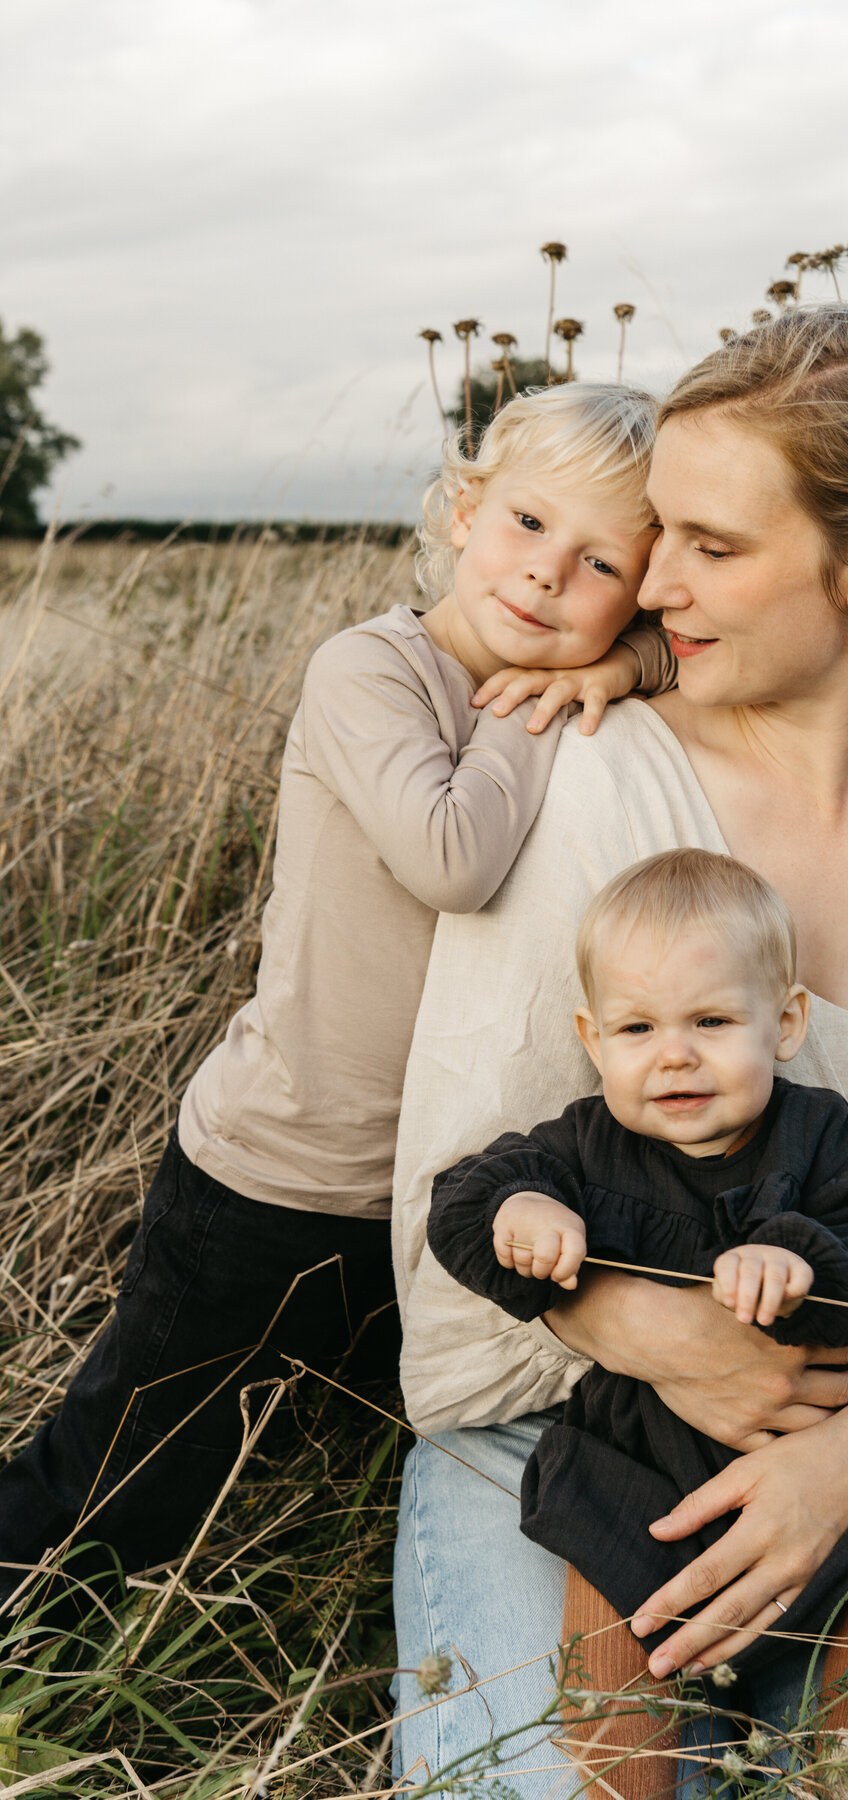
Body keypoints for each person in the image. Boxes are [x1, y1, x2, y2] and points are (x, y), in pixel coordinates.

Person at [390, 306, 848, 1797]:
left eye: (712, 547)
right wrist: (647, 1331)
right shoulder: (580, 761)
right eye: (660, 531)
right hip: (556, 1418)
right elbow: (460, 1180)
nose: (651, 583)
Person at [0, 381, 670, 1617]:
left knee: (373, 1463)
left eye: (600, 564)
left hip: (449, 1191)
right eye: (527, 523)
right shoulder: (372, 669)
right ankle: (33, 1634)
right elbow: (451, 857)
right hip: (281, 1171)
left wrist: (629, 660)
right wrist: (546, 696)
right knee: (119, 1486)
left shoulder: (604, 676)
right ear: (463, 509)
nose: (545, 574)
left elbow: (710, 660)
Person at [427, 849, 848, 1795]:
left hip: (827, 1453)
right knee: (612, 1644)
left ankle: (842, 1784)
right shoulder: (582, 1146)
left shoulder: (818, 1133)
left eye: (711, 1022)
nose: (674, 1053)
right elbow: (462, 1199)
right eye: (638, 1027)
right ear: (593, 1039)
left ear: (785, 1023)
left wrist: (801, 1259)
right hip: (644, 1473)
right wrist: (521, 1209)